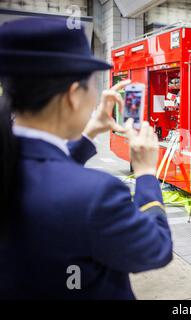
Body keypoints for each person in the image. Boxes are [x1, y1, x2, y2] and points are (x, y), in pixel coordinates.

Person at [0, 17, 172, 299]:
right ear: (73, 95)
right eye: (93, 84)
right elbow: (155, 249)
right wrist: (145, 173)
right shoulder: (97, 194)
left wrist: (90, 131)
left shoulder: (12, 160)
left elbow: (47, 172)